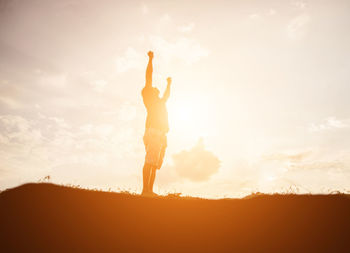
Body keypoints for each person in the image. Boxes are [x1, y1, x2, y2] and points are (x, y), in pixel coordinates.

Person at [141, 51, 172, 196]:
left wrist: (169, 84)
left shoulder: (160, 101)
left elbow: (166, 95)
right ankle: (145, 190)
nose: (156, 89)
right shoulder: (149, 98)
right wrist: (150, 59)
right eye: (155, 88)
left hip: (160, 134)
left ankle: (150, 190)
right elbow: (149, 76)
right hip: (153, 132)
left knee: (154, 164)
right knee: (150, 161)